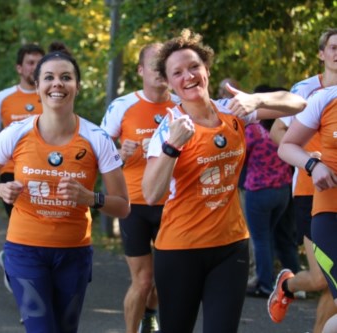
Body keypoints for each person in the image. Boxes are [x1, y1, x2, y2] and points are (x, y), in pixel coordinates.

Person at [141, 29, 306, 332]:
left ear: (207, 70)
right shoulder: (169, 129)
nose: (188, 76)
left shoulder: (232, 110)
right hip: (180, 251)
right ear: (169, 83)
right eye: (177, 72)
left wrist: (257, 99)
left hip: (231, 247)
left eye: (194, 67)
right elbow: (151, 194)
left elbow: (298, 103)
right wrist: (172, 147)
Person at [0, 43, 130, 332]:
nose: (58, 83)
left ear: (77, 86)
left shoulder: (97, 138)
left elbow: (123, 205)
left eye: (66, 77)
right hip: (25, 251)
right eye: (49, 77)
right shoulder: (16, 133)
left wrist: (89, 197)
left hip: (74, 254)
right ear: (38, 85)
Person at [100, 42, 179, 333]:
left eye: (165, 65)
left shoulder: (183, 103)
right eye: (155, 65)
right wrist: (121, 153)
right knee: (143, 280)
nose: (160, 71)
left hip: (174, 202)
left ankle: (150, 311)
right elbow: (99, 153)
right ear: (140, 70)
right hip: (135, 203)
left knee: (166, 278)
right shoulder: (122, 106)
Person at [268, 28, 337, 330]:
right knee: (322, 278)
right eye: (333, 47)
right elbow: (278, 133)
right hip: (311, 191)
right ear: (322, 54)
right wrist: (312, 160)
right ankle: (287, 285)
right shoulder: (307, 91)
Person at [0, 43, 45, 218]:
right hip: (11, 167)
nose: (35, 67)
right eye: (30, 63)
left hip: (44, 167)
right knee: (18, 218)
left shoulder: (51, 96)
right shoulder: (2, 98)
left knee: (41, 219)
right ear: (19, 68)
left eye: (39, 63)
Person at [243, 107, 294, 298]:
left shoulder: (254, 131)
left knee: (260, 239)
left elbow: (241, 155)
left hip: (258, 190)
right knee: (270, 236)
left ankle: (265, 283)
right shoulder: (287, 129)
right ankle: (279, 279)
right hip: (283, 190)